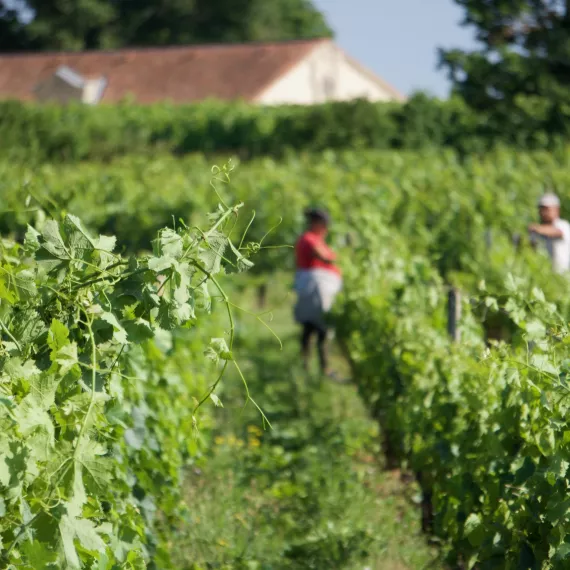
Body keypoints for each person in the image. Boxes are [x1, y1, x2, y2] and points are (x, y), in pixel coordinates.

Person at [293, 207, 343, 376]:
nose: (326, 229)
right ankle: (319, 367)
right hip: (315, 290)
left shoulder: (315, 239)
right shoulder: (309, 239)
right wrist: (344, 256)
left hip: (316, 289)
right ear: (316, 224)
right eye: (324, 225)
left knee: (312, 328)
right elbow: (325, 257)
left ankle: (310, 367)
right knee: (318, 327)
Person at [528, 192, 570, 274]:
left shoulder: (563, 225)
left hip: (563, 276)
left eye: (547, 209)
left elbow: (557, 232)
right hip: (544, 276)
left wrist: (537, 228)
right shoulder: (538, 231)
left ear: (557, 209)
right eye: (541, 209)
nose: (544, 212)